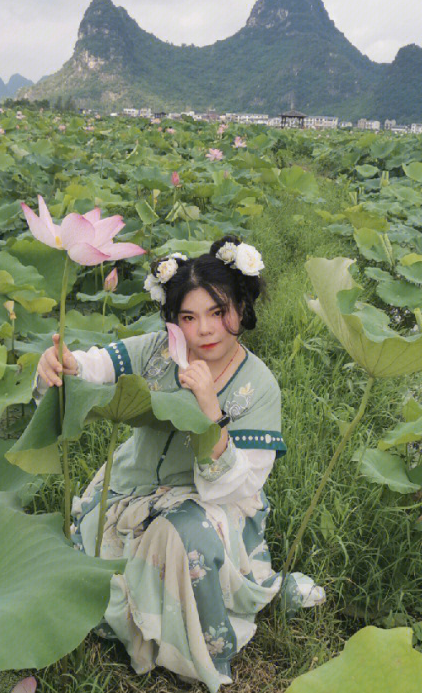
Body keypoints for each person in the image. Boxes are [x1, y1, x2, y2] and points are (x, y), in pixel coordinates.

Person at [34, 235, 320, 691]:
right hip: (131, 493)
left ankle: (205, 644)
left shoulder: (259, 386)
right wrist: (59, 363)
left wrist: (209, 411)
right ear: (174, 320)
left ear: (241, 310)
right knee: (84, 565)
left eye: (217, 312)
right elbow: (90, 367)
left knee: (186, 536)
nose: (204, 330)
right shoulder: (156, 352)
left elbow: (240, 486)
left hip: (210, 506)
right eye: (188, 317)